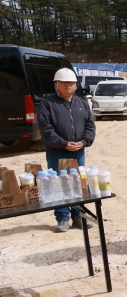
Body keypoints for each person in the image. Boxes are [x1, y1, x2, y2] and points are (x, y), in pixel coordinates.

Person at [36, 67, 96, 232]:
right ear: (56, 84)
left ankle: (78, 217)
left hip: (78, 152)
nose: (68, 86)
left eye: (71, 83)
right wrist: (63, 143)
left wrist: (83, 142)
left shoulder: (82, 104)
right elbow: (46, 130)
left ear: (76, 85)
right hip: (57, 152)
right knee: (59, 185)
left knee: (77, 184)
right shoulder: (47, 104)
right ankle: (62, 218)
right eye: (64, 83)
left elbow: (90, 126)